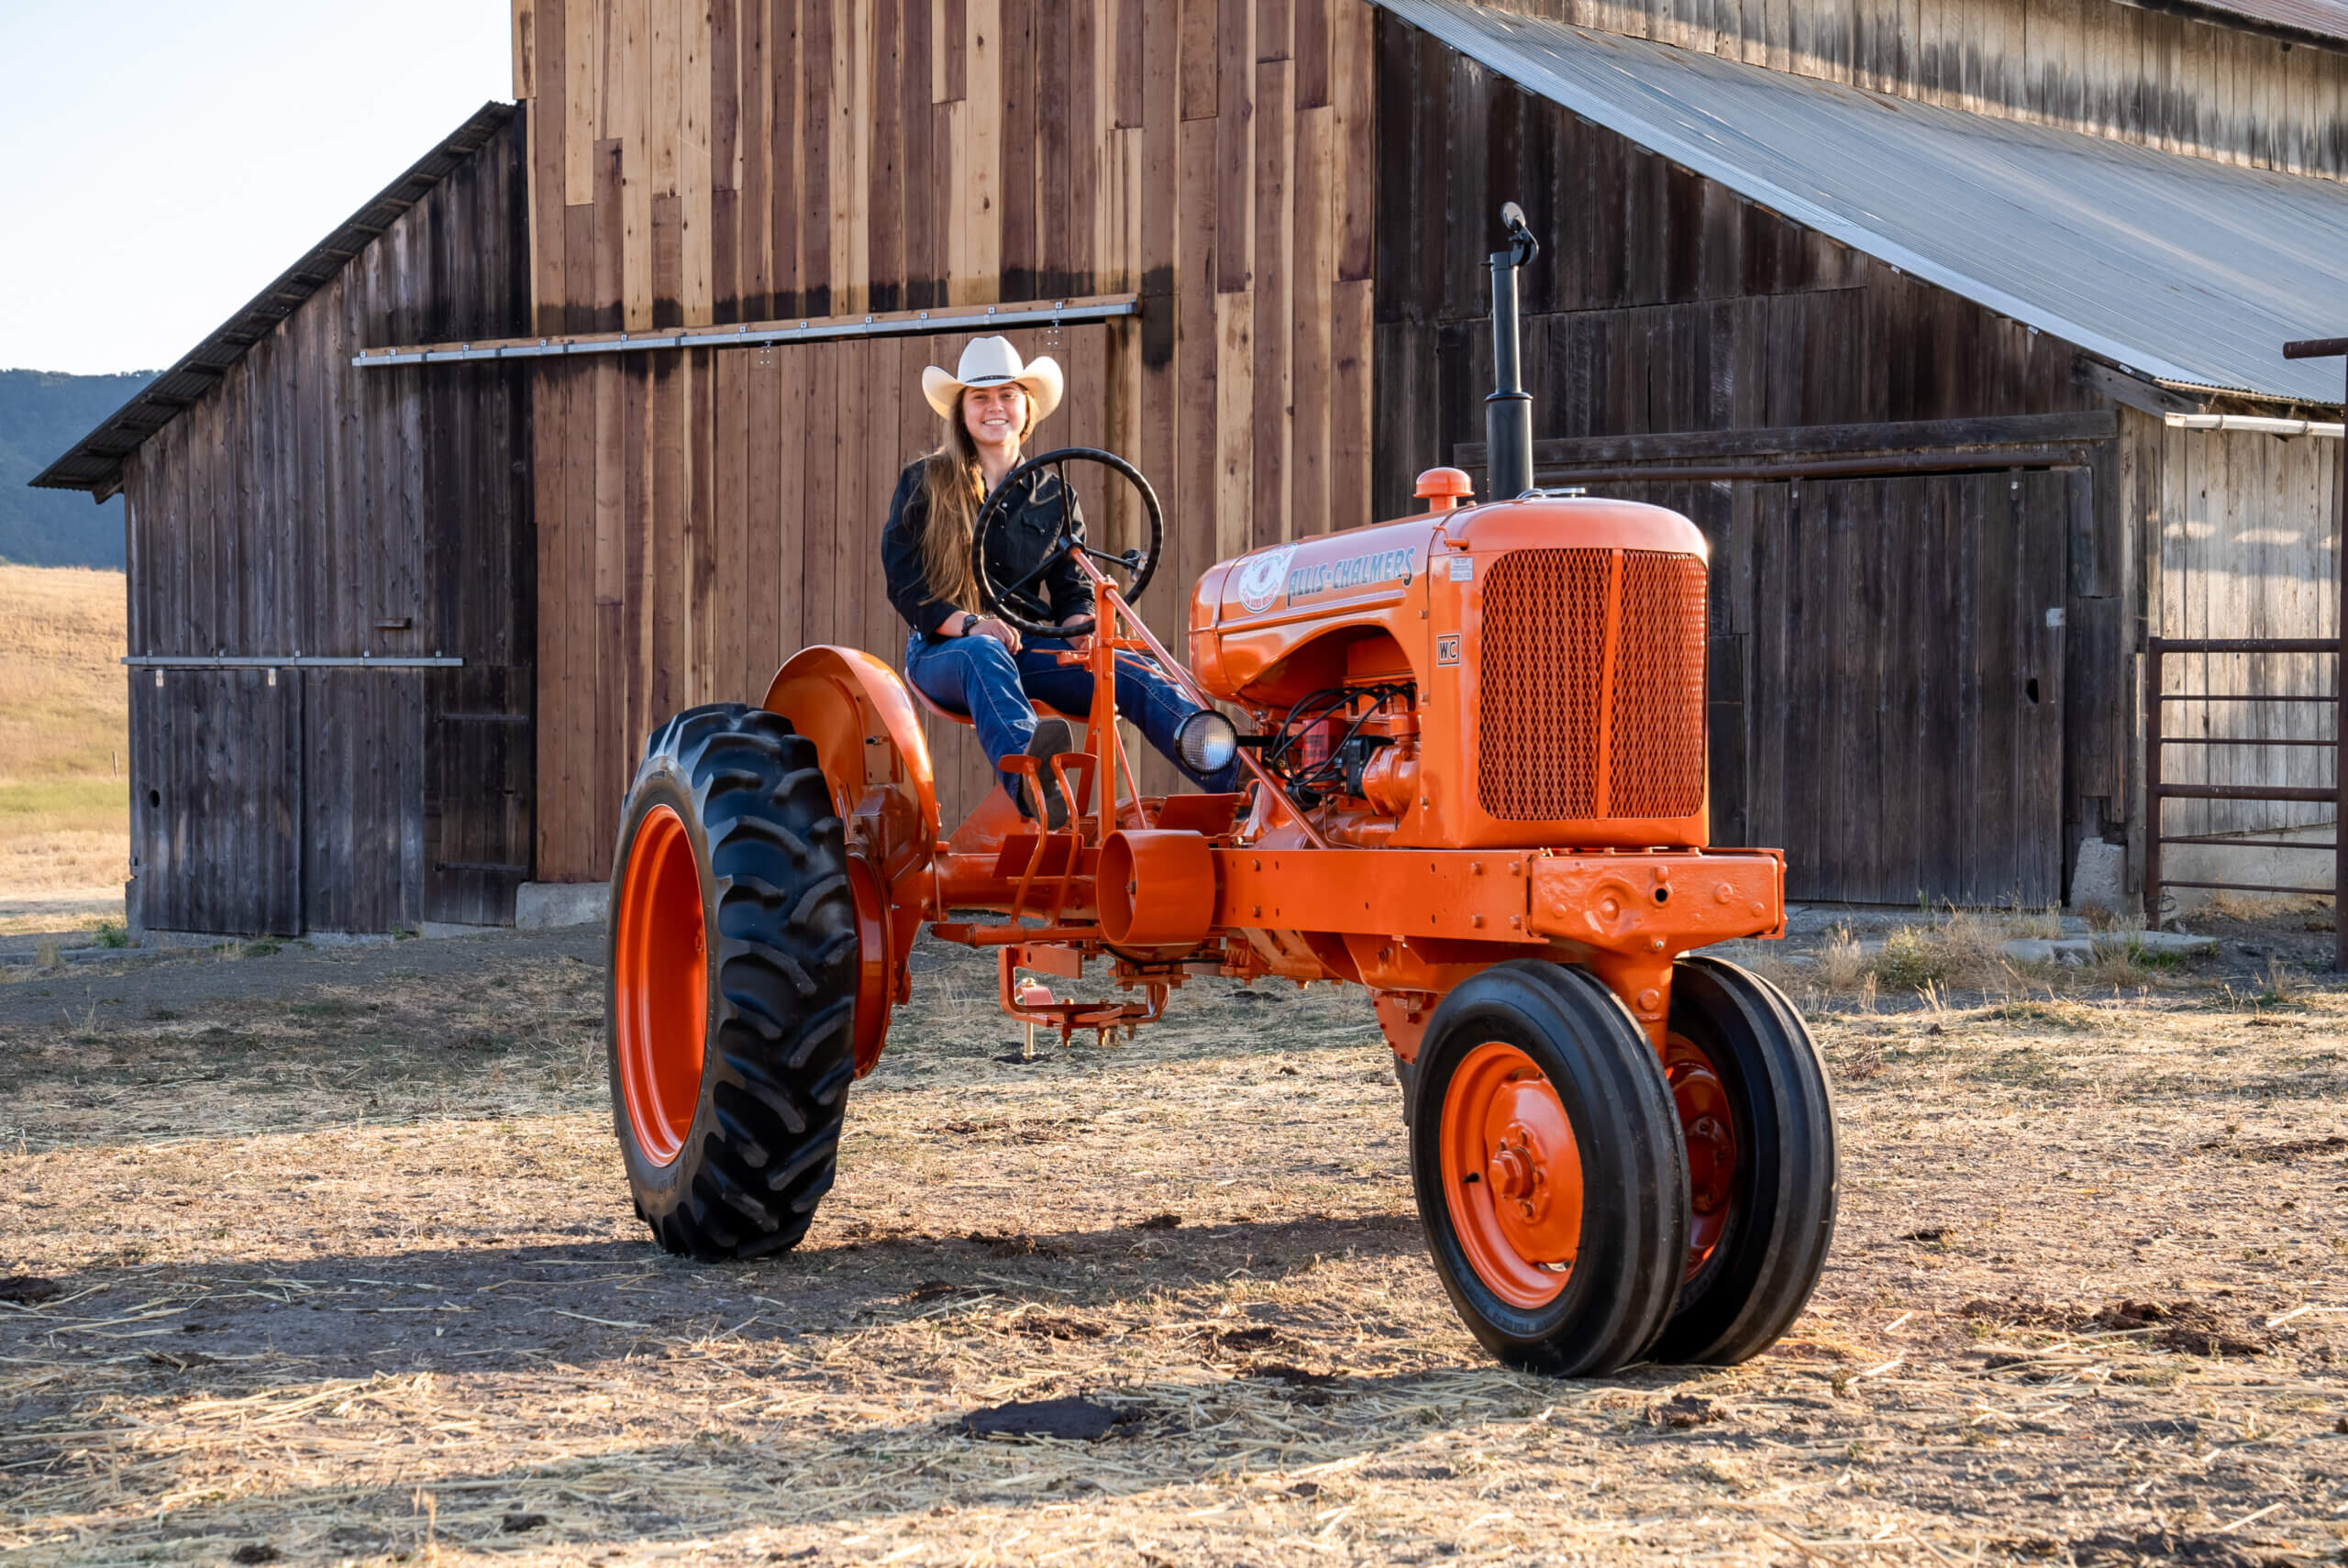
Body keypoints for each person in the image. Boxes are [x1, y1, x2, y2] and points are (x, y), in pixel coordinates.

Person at [881, 336, 1239, 828]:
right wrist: (969, 626)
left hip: (1032, 649)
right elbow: (905, 581)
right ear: (962, 411)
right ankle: (1036, 783)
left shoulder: (1055, 495)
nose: (995, 408)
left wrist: (1082, 625)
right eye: (981, 397)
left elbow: (1071, 590)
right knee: (984, 654)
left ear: (1026, 408)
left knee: (1128, 671)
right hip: (947, 651)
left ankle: (1238, 779)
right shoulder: (925, 483)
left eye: (1008, 395)